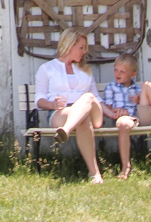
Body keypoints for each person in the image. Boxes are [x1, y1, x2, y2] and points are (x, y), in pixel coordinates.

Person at [35, 28, 118, 184]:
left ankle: (65, 131)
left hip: (92, 113)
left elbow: (96, 98)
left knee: (87, 97)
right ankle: (95, 175)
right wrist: (52, 104)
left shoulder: (85, 69)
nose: (84, 52)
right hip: (61, 113)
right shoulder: (47, 69)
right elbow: (39, 99)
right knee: (82, 120)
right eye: (81, 48)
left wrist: (112, 114)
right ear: (69, 46)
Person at [103, 52, 151, 179]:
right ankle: (125, 167)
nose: (117, 73)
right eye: (116, 70)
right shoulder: (111, 87)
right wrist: (118, 111)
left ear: (133, 74)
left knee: (148, 84)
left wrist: (139, 101)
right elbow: (108, 109)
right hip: (124, 119)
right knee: (123, 123)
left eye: (122, 71)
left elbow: (145, 105)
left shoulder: (138, 89)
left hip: (141, 116)